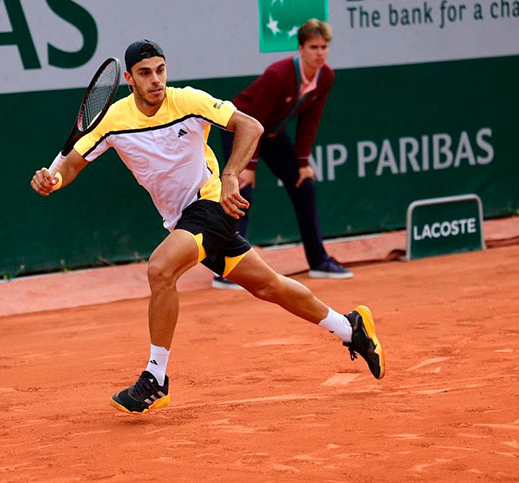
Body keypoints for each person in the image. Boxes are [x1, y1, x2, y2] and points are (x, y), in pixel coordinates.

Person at [30, 39, 384, 415]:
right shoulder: (114, 119)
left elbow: (250, 125)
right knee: (268, 285)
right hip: (181, 219)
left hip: (212, 203)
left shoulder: (187, 101)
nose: (156, 80)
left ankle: (155, 379)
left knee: (160, 269)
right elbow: (70, 165)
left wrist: (231, 175)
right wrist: (53, 181)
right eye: (146, 73)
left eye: (161, 70)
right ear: (130, 80)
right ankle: (350, 327)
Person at [212, 19, 351, 290]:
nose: (320, 53)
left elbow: (311, 120)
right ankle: (228, 268)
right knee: (241, 190)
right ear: (301, 48)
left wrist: (302, 162)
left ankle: (319, 261)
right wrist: (249, 166)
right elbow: (254, 120)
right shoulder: (278, 74)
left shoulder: (326, 76)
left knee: (304, 184)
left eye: (324, 47)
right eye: (314, 47)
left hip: (272, 134)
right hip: (240, 128)